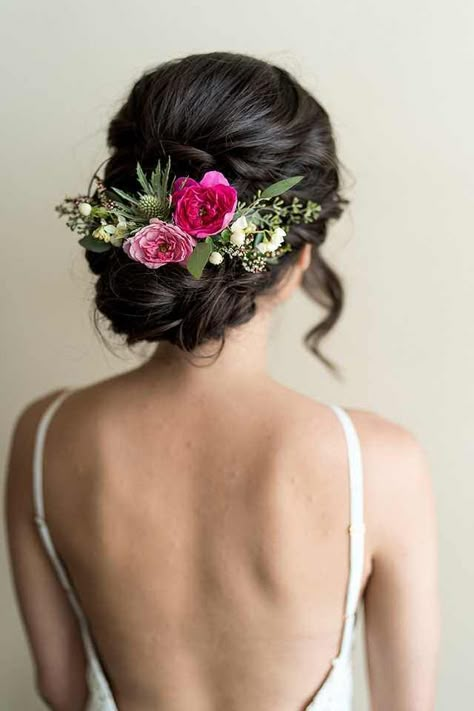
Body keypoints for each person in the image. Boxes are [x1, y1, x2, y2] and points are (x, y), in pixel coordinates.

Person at [5, 51, 440, 711]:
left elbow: (62, 689)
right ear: (297, 262)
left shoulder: (43, 437)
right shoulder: (380, 465)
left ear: (133, 233)